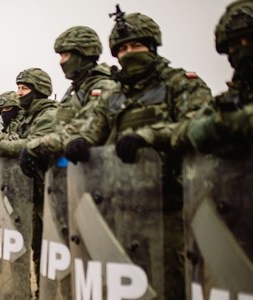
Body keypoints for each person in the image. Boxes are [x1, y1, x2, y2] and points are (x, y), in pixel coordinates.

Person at [63, 8, 213, 299]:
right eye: (123, 48)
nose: (129, 53)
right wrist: (80, 141)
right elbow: (91, 127)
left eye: (136, 46)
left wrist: (148, 137)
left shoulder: (181, 83)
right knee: (125, 284)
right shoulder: (113, 93)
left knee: (169, 283)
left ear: (152, 47)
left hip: (171, 207)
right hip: (122, 206)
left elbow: (197, 127)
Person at [0, 68, 57, 293]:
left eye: (24, 88)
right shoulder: (30, 118)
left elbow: (34, 143)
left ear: (38, 90)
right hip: (28, 193)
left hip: (50, 195)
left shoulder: (49, 115)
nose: (19, 93)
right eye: (18, 88)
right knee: (33, 249)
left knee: (48, 252)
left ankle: (46, 294)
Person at [21, 26, 117, 166]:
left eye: (65, 55)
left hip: (100, 170)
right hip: (74, 173)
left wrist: (35, 147)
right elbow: (60, 129)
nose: (61, 62)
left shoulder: (103, 87)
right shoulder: (74, 91)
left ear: (82, 54)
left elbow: (85, 129)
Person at [188, 0, 253, 156]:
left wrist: (238, 121)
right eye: (235, 44)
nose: (244, 49)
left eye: (251, 40)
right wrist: (210, 128)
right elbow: (183, 130)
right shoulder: (232, 97)